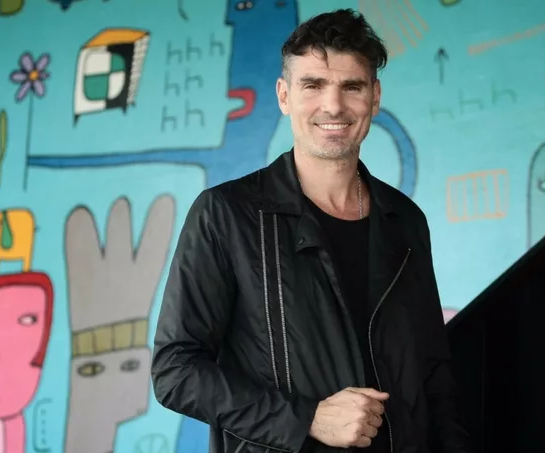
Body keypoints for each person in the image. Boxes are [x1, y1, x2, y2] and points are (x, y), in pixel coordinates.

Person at [151, 8, 471, 453]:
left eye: (351, 87)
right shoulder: (226, 214)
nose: (333, 106)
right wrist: (307, 418)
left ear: (375, 97)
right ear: (284, 96)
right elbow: (175, 370)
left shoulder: (405, 220)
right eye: (313, 85)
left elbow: (435, 377)